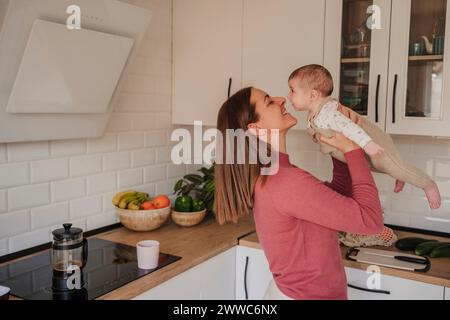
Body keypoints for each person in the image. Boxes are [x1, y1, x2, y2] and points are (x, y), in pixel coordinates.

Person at [214, 87, 384, 300]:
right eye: (269, 101)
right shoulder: (284, 181)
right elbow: (371, 220)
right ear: (255, 128)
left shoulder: (276, 174)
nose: (281, 99)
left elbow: (336, 200)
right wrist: (353, 151)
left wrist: (337, 146)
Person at [287, 64, 441, 209]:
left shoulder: (328, 114)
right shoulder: (316, 113)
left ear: (313, 95)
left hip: (371, 144)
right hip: (359, 152)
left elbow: (350, 128)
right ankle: (400, 174)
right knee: (381, 167)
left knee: (390, 166)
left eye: (292, 90)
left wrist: (367, 143)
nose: (289, 96)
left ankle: (428, 184)